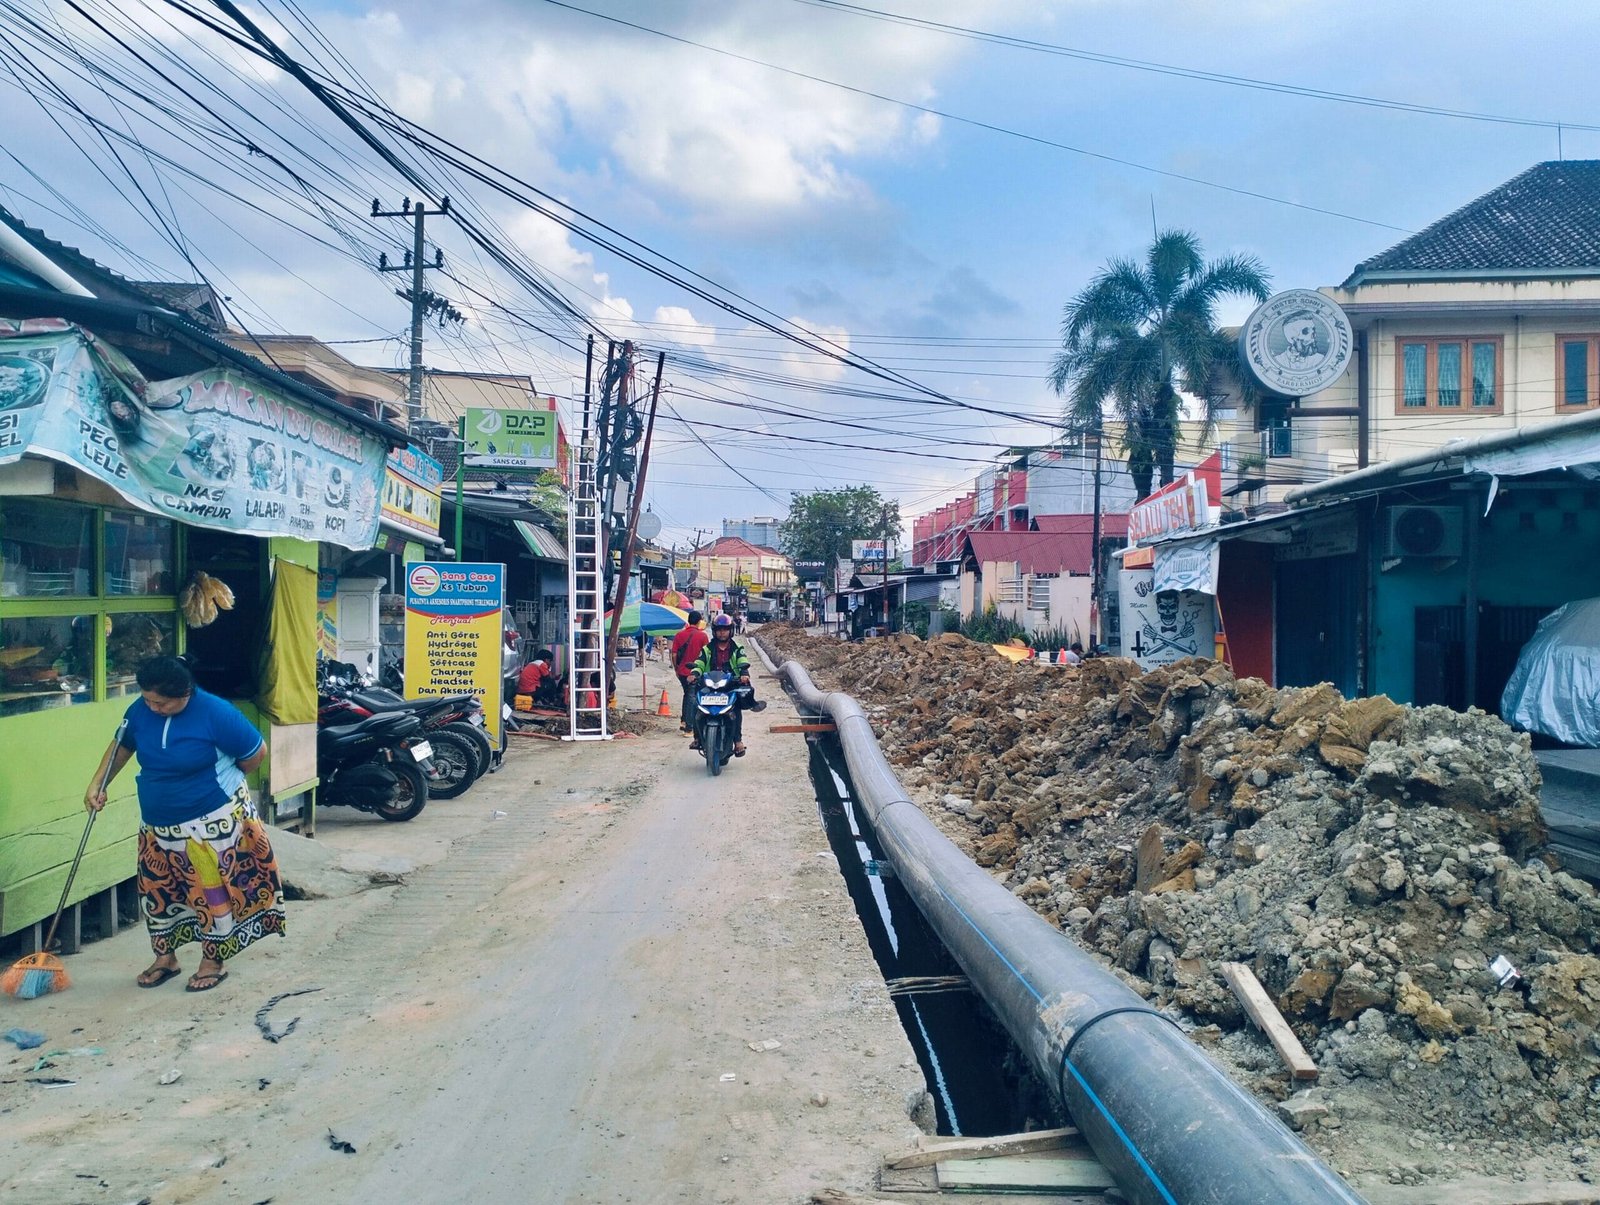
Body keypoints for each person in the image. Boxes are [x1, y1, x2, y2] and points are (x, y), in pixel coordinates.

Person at [84, 656, 283, 993]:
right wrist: (97, 783)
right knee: (159, 892)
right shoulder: (140, 710)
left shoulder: (216, 713)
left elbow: (255, 753)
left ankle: (212, 960)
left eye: (161, 703)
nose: (153, 707)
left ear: (185, 693)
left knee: (211, 893)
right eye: (147, 700)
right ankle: (166, 958)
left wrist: (222, 781)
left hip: (208, 824)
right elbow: (123, 746)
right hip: (157, 825)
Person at [688, 614, 765, 757]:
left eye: (725, 629)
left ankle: (738, 741)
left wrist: (744, 673)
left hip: (730, 684)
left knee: (735, 710)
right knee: (696, 707)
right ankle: (697, 738)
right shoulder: (707, 649)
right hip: (709, 684)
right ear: (715, 631)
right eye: (719, 630)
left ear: (731, 630)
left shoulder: (737, 648)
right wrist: (694, 673)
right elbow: (699, 662)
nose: (722, 633)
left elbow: (743, 660)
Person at [669, 609, 709, 735]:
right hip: (696, 672)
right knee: (692, 697)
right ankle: (689, 727)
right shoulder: (702, 636)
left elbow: (674, 654)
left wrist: (676, 668)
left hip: (682, 671)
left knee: (687, 695)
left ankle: (684, 721)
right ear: (698, 622)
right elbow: (707, 655)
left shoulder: (679, 635)